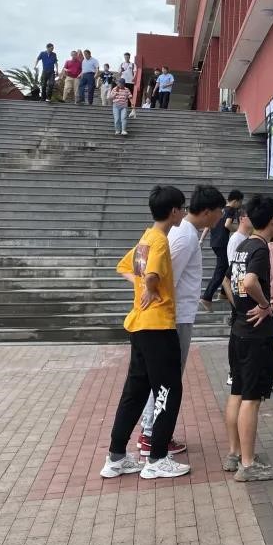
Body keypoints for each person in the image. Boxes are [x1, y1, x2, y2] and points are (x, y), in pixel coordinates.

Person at [100, 186, 191, 480]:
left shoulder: (145, 239)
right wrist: (149, 287)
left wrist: (141, 286)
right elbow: (151, 274)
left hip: (139, 325)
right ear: (174, 211)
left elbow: (124, 267)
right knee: (168, 390)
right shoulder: (160, 241)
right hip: (158, 326)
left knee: (135, 391)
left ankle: (116, 457)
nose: (184, 212)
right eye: (182, 208)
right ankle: (157, 458)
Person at [135, 186, 227, 457]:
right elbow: (166, 277)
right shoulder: (185, 236)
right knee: (167, 378)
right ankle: (151, 433)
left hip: (175, 316)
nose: (221, 217)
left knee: (164, 377)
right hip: (175, 318)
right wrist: (155, 297)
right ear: (207, 211)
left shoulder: (184, 233)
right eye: (219, 211)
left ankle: (151, 432)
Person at [222, 194, 273, 482]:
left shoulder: (242, 246)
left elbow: (229, 281)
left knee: (237, 392)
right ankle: (248, 465)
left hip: (238, 330)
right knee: (251, 398)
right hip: (256, 335)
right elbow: (249, 282)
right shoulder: (260, 248)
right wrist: (264, 304)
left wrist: (240, 307)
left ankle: (235, 454)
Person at [222, 209, 253, 386]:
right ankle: (233, 372)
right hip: (238, 291)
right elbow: (234, 270)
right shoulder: (236, 239)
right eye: (249, 216)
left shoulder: (246, 238)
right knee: (236, 334)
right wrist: (238, 299)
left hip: (242, 292)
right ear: (242, 218)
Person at [201, 190, 244, 308]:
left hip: (215, 242)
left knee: (225, 267)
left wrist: (201, 239)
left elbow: (208, 225)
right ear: (235, 201)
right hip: (222, 242)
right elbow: (227, 225)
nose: (240, 205)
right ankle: (206, 297)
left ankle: (223, 293)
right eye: (240, 202)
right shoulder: (231, 210)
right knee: (221, 270)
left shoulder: (220, 209)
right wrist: (239, 229)